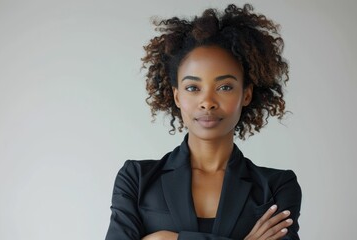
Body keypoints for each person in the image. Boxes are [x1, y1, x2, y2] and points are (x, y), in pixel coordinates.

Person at [105, 3, 302, 240]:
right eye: (192, 87)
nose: (207, 102)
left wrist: (168, 239)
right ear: (177, 96)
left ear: (246, 94)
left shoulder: (277, 187)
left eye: (225, 87)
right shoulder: (136, 179)